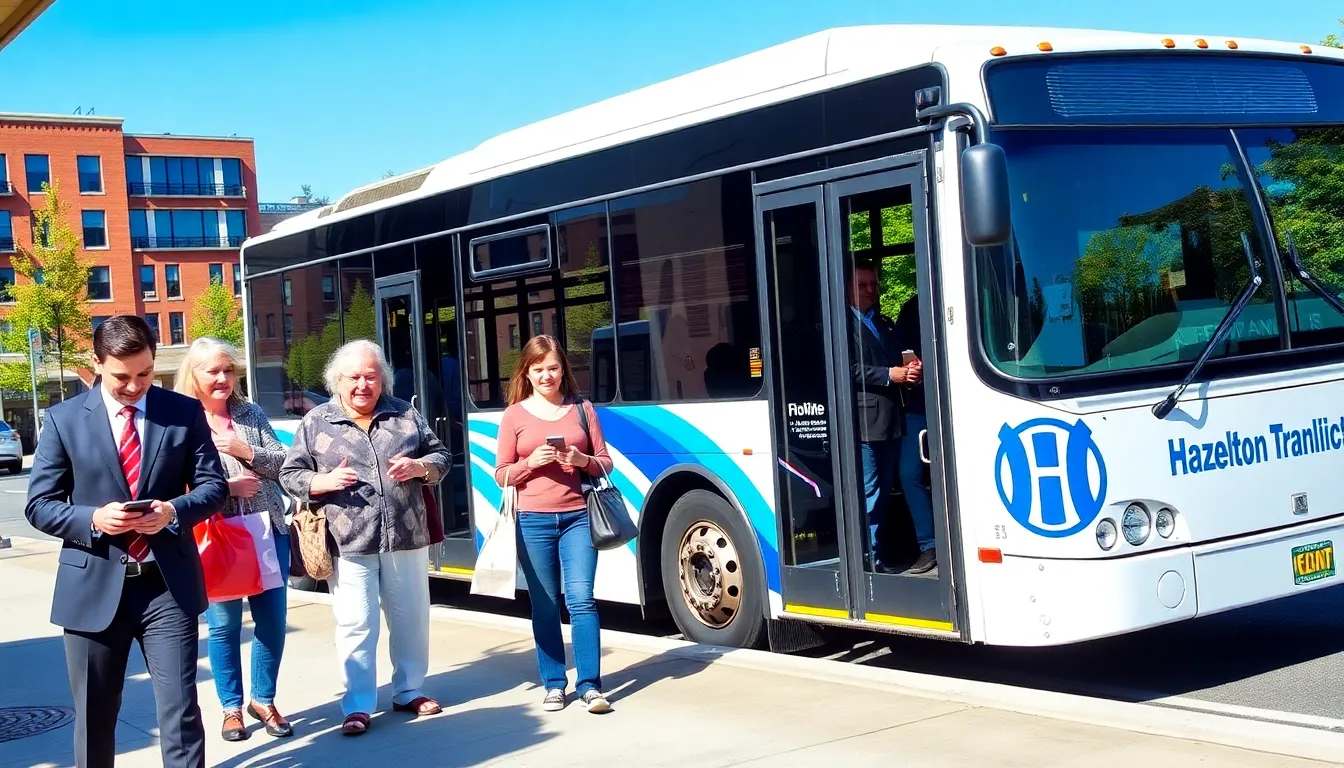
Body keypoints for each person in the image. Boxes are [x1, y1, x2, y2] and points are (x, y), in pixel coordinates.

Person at [25, 315, 229, 768]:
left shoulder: (181, 412)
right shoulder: (63, 421)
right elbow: (39, 505)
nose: (135, 386)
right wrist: (94, 518)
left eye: (145, 373)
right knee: (96, 715)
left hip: (166, 588)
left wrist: (172, 511)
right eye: (122, 377)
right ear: (95, 364)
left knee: (180, 712)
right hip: (93, 587)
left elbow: (213, 486)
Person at [279, 339, 451, 736]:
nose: (363, 385)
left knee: (411, 619)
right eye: (354, 377)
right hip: (348, 540)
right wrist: (322, 481)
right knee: (356, 623)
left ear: (383, 380)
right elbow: (290, 474)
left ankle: (408, 690)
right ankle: (357, 705)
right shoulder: (317, 420)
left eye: (371, 377)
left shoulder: (404, 414)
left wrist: (421, 467)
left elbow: (442, 456)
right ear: (337, 381)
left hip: (407, 535)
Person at [173, 337, 294, 741]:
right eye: (213, 371)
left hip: (265, 531)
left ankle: (264, 700)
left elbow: (284, 464)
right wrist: (226, 489)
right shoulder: (181, 418)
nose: (223, 378)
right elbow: (173, 483)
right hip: (216, 536)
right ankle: (230, 709)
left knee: (272, 621)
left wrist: (247, 451)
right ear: (194, 374)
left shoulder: (250, 413)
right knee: (223, 626)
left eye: (229, 370)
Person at [494, 335, 614, 714]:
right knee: (545, 606)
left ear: (563, 370)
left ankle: (591, 686)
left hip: (579, 516)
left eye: (553, 368)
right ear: (526, 373)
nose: (547, 375)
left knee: (581, 600)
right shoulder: (514, 414)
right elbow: (501, 474)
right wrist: (532, 463)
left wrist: (581, 459)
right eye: (539, 369)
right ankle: (554, 683)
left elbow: (605, 462)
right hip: (533, 521)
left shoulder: (582, 408)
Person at [848, 263, 920, 574]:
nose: (871, 290)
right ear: (848, 288)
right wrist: (889, 375)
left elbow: (897, 364)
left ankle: (880, 552)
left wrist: (910, 371)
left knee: (886, 489)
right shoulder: (841, 324)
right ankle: (869, 558)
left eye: (874, 284)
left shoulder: (883, 323)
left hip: (892, 419)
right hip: (866, 422)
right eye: (863, 284)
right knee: (871, 492)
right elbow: (846, 369)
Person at [894, 293, 938, 574]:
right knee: (909, 473)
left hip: (957, 405)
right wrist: (913, 370)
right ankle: (930, 545)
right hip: (920, 406)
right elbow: (900, 353)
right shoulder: (912, 308)